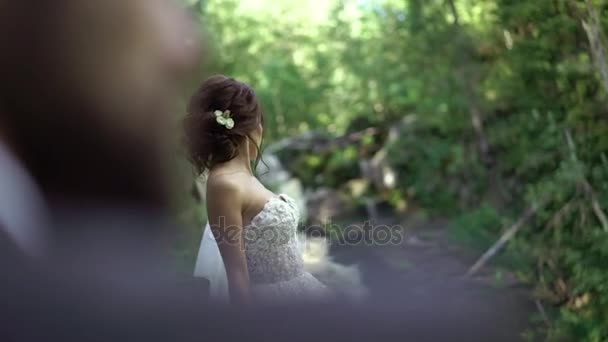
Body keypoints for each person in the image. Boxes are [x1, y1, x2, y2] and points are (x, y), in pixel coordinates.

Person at [185, 75, 330, 304]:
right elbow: (237, 275)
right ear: (251, 128)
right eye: (259, 121)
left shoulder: (247, 178)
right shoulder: (224, 184)